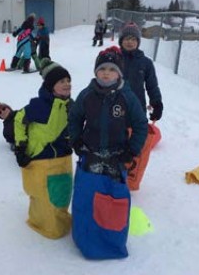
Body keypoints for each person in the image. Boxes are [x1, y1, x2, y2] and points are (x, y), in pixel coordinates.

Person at [68, 46, 148, 259]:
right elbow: (75, 117)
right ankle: (84, 235)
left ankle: (109, 240)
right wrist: (75, 139)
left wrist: (132, 150)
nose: (106, 73)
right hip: (90, 154)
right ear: (96, 72)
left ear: (119, 74)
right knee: (86, 198)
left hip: (116, 157)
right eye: (102, 68)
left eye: (112, 69)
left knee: (112, 202)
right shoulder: (86, 95)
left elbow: (141, 124)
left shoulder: (127, 97)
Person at [13, 59, 73, 239]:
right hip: (39, 158)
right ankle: (42, 223)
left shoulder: (72, 105)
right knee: (42, 194)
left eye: (68, 81)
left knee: (62, 194)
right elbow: (18, 120)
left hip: (62, 158)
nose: (67, 84)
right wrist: (20, 147)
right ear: (51, 86)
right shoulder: (38, 106)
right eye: (61, 81)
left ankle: (58, 223)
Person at [118, 22, 163, 191]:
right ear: (121, 40)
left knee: (136, 139)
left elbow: (152, 85)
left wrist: (156, 103)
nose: (129, 42)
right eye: (126, 39)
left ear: (138, 41)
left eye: (133, 39)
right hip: (116, 108)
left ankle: (131, 173)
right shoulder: (115, 58)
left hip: (137, 109)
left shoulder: (145, 63)